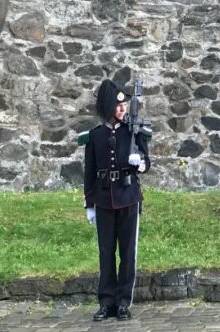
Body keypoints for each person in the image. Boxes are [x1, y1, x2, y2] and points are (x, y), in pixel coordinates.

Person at [83, 79, 151, 322]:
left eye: (124, 106)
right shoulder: (96, 135)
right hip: (103, 200)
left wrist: (139, 164)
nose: (122, 110)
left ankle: (123, 302)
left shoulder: (135, 131)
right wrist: (89, 203)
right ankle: (106, 302)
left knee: (128, 252)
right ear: (107, 106)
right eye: (117, 106)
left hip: (129, 197)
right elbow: (89, 172)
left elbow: (147, 164)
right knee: (106, 252)